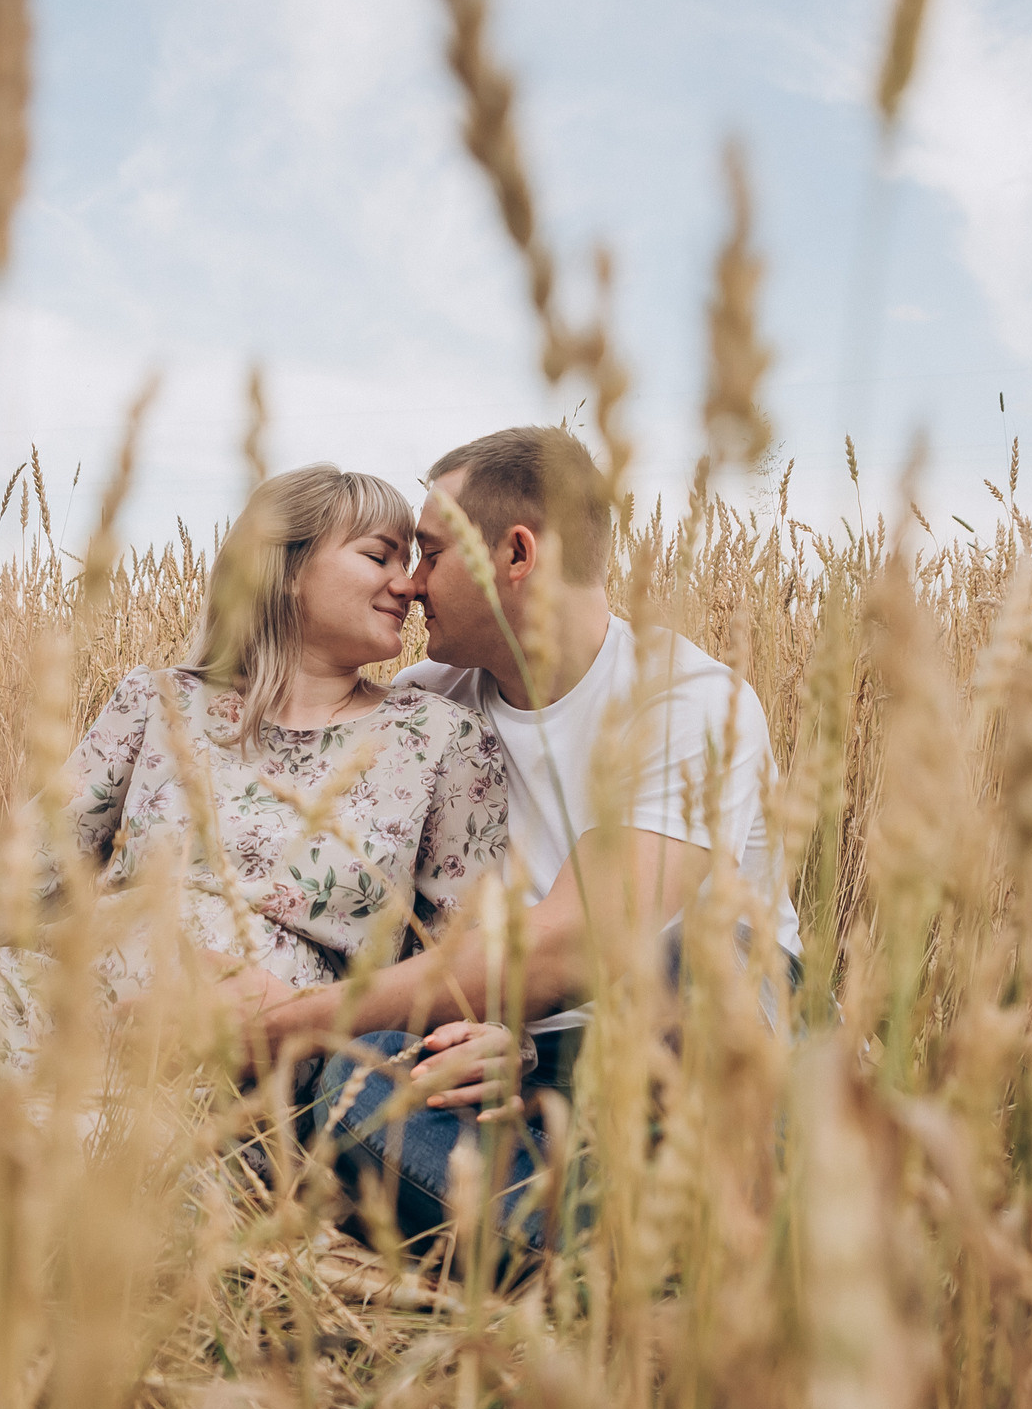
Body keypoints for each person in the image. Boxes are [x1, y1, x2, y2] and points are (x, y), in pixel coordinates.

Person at [248, 425, 803, 1254]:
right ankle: (600, 1242)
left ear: (516, 553)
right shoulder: (427, 704)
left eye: (430, 552)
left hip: (679, 1042)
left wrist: (293, 1019)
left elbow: (579, 947)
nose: (410, 582)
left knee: (710, 955)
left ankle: (669, 1226)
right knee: (359, 1077)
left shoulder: (686, 700)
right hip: (514, 1069)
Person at [0, 465, 510, 1121]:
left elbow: (465, 951)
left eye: (409, 561)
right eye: (380, 555)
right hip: (70, 990)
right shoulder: (160, 701)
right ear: (287, 568)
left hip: (242, 1043)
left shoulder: (442, 737)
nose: (407, 585)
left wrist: (493, 1033)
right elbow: (26, 868)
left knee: (71, 1152)